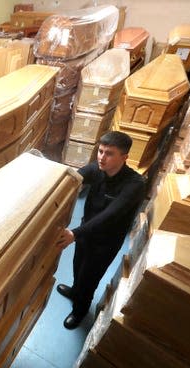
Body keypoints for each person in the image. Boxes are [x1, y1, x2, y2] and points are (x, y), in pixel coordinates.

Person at [56, 130, 145, 330]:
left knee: (90, 278)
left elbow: (110, 216)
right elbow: (74, 177)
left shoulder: (135, 185)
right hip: (86, 234)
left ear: (124, 157)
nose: (101, 157)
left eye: (109, 153)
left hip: (105, 242)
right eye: (100, 151)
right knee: (78, 266)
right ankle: (74, 290)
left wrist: (74, 233)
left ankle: (80, 310)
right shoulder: (97, 169)